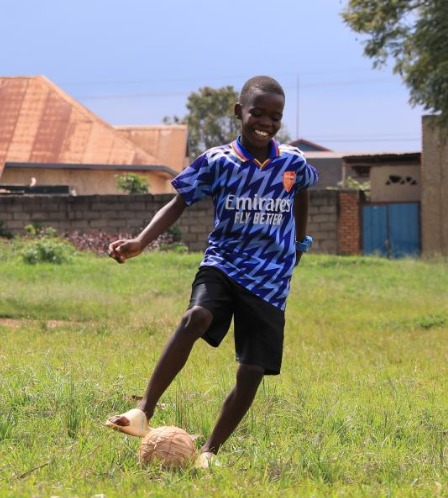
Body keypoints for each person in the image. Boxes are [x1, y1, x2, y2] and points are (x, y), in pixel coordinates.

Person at [104, 75, 319, 467]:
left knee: (252, 370)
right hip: (223, 262)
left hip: (271, 279)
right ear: (240, 112)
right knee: (196, 316)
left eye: (276, 116)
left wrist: (300, 242)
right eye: (258, 113)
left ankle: (209, 453)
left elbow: (302, 192)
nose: (266, 122)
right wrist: (140, 241)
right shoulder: (218, 161)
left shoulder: (293, 162)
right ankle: (143, 411)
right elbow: (177, 203)